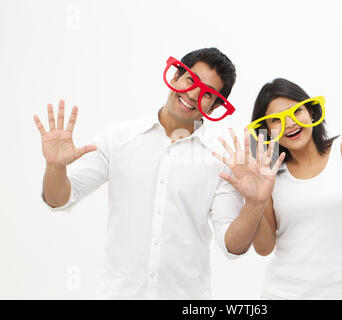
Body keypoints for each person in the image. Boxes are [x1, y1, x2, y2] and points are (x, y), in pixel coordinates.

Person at [33, 48, 274, 299]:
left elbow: (231, 246)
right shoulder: (118, 138)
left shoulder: (223, 159)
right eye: (191, 80)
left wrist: (256, 203)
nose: (193, 94)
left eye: (207, 94)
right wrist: (55, 166)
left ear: (214, 108)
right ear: (175, 77)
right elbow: (59, 200)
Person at [216, 78, 342, 299]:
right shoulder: (268, 174)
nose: (290, 124)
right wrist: (256, 199)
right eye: (276, 120)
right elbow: (264, 248)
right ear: (266, 131)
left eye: (296, 112)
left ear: (311, 112)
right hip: (282, 293)